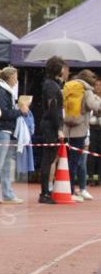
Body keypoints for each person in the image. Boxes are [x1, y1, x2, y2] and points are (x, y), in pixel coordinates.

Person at [0, 66, 27, 204]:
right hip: (2, 130)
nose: (17, 80)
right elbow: (2, 113)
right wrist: (20, 112)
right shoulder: (1, 92)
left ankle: (7, 193)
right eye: (15, 77)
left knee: (6, 164)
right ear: (10, 78)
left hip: (8, 131)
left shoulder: (7, 92)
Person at [63, 69, 101, 202]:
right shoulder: (87, 90)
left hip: (68, 128)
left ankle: (68, 188)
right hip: (80, 130)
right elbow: (92, 105)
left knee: (70, 161)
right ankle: (71, 190)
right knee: (76, 162)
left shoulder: (71, 87)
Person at [39, 56, 68, 204]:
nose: (65, 70)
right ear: (58, 69)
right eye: (63, 67)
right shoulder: (51, 86)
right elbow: (53, 108)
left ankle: (46, 190)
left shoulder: (53, 84)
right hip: (50, 125)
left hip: (51, 123)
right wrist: (59, 129)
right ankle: (44, 193)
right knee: (48, 159)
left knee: (50, 159)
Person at [15, 95, 35, 182]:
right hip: (21, 138)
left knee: (25, 156)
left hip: (26, 138)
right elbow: (31, 125)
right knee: (21, 156)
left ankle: (23, 175)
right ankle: (19, 175)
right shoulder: (19, 112)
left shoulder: (29, 113)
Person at [88, 77, 101, 187]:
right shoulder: (91, 98)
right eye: (96, 85)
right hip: (92, 129)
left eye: (100, 85)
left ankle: (99, 177)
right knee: (92, 152)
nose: (98, 87)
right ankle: (90, 177)